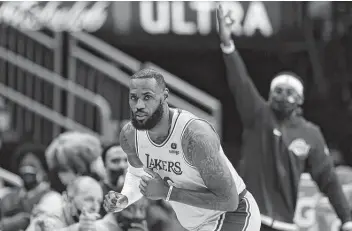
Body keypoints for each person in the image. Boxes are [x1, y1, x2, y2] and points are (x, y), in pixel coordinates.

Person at [216, 3, 352, 231]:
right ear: (269, 95)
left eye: (290, 93)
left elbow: (328, 180)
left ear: (300, 100)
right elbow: (240, 81)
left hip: (284, 224)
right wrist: (227, 44)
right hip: (248, 218)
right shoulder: (258, 115)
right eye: (278, 91)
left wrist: (346, 218)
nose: (283, 96)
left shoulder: (310, 134)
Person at [103, 68, 261, 231]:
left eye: (147, 97)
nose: (139, 105)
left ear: (164, 97)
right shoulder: (130, 135)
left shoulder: (194, 136)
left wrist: (168, 193)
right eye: (134, 98)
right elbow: (137, 177)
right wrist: (125, 198)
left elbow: (229, 200)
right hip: (195, 225)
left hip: (233, 215)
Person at [0, 143, 51, 231]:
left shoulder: (51, 198)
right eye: (24, 165)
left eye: (32, 165)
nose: (27, 170)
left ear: (44, 171)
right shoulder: (7, 196)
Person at [26, 176, 104, 231]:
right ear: (69, 199)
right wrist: (78, 228)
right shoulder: (50, 218)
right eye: (89, 200)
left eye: (99, 201)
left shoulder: (97, 225)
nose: (95, 207)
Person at [100, 144, 128, 216]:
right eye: (115, 161)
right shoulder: (98, 191)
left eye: (126, 160)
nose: (122, 165)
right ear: (104, 164)